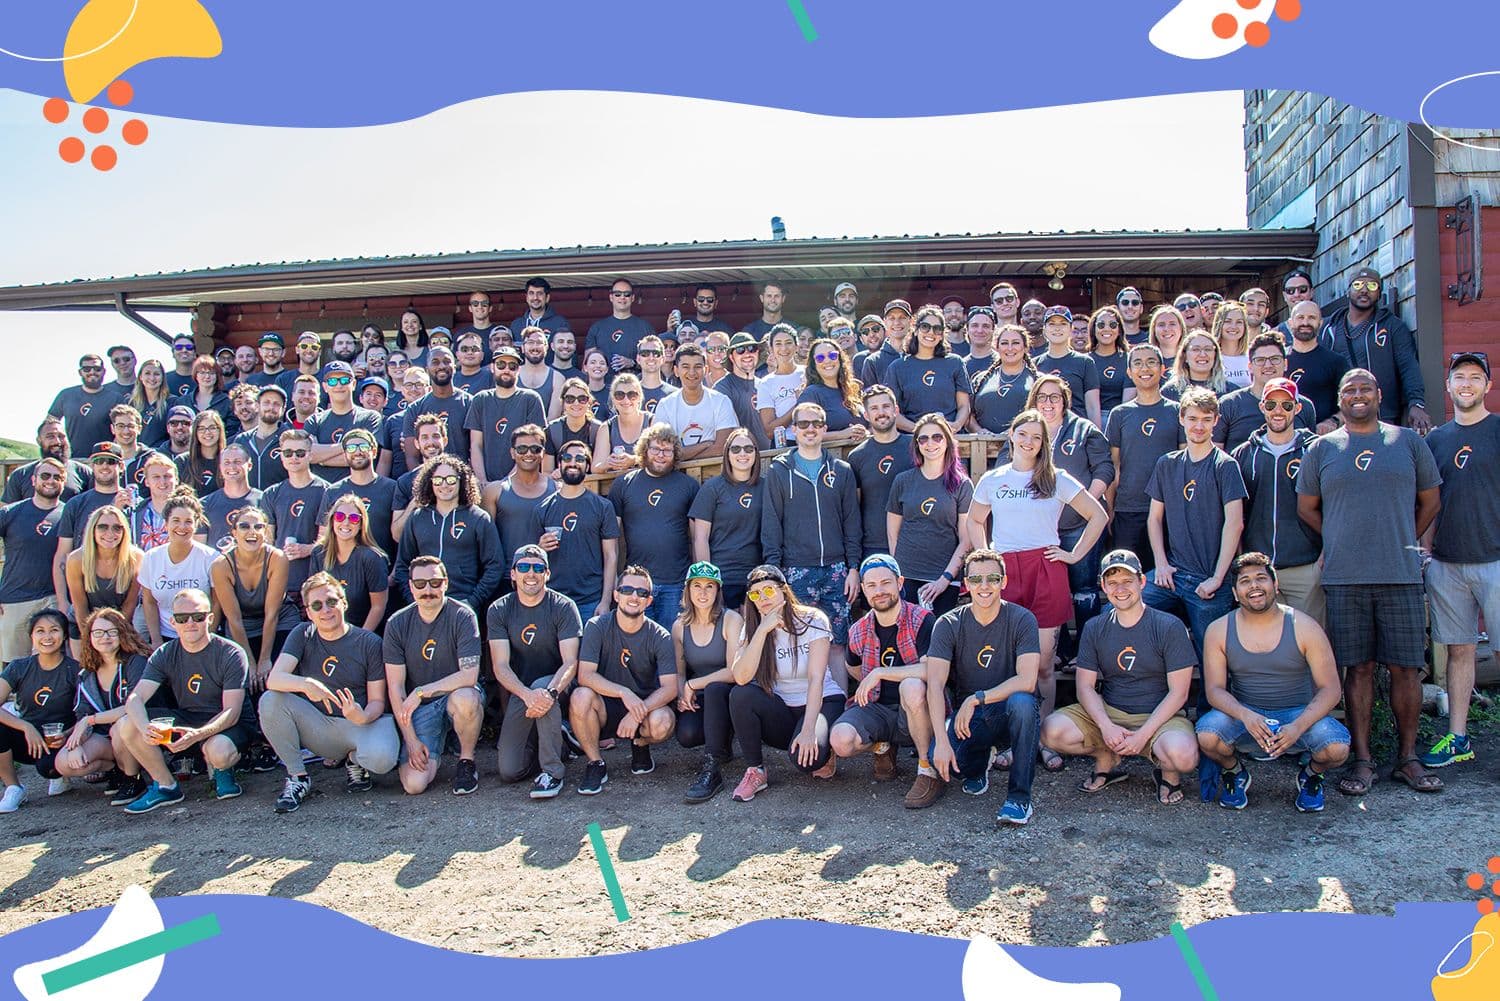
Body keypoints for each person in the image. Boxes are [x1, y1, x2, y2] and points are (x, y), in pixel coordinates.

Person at [1297, 369, 1443, 795]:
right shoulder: (1322, 448)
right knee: (1357, 668)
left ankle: (1408, 757)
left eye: (1365, 388)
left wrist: (1404, 538)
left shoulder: (1408, 442)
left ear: (1379, 395)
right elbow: (1307, 508)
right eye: (1349, 389)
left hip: (1400, 574)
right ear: (1339, 399)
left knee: (1406, 669)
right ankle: (1362, 760)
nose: (1357, 395)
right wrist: (1338, 537)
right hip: (1345, 578)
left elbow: (1431, 500)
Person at [968, 408, 1107, 749]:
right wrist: (986, 558)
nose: (1029, 442)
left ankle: (1041, 739)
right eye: (1023, 434)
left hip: (1045, 569)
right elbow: (974, 520)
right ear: (1011, 435)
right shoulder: (993, 479)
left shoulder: (1057, 478)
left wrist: (1074, 555)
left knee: (1043, 665)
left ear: (1044, 443)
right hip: (1005, 572)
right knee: (1006, 664)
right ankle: (1006, 739)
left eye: (1037, 437)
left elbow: (1098, 515)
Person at [1041, 549, 1199, 804]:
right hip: (1112, 710)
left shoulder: (1169, 626)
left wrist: (1142, 735)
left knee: (1183, 757)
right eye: (1112, 582)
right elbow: (1085, 687)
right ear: (1103, 586)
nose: (1120, 589)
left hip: (1159, 715)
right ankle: (1107, 757)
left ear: (1142, 582)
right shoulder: (1095, 627)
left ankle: (1168, 773)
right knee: (1051, 731)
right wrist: (1106, 726)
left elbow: (1179, 693)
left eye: (1127, 581)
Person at [1196, 553, 1350, 812]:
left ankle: (1312, 775)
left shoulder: (1304, 626)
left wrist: (1298, 726)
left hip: (1298, 715)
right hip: (1247, 717)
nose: (1254, 586)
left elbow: (1331, 689)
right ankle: (1234, 772)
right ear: (1235, 593)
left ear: (1275, 585)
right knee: (1208, 734)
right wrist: (1245, 715)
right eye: (1245, 581)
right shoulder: (1219, 630)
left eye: (1261, 578)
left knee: (1336, 748)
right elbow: (1214, 690)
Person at [913, 548, 1043, 823]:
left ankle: (1019, 798)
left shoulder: (1022, 619)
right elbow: (934, 685)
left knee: (1023, 702)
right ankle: (979, 762)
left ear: (1004, 582)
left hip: (1007, 711)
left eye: (992, 578)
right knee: (943, 758)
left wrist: (977, 698)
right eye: (976, 579)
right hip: (969, 718)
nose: (984, 586)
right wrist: (941, 741)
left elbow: (1027, 680)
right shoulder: (948, 623)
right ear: (966, 584)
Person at [1418, 352, 1499, 770]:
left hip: (1495, 559)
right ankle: (1459, 737)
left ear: (1487, 386)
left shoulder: (1498, 430)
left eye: (1475, 377)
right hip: (1447, 563)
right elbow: (1429, 501)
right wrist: (1427, 552)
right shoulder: (1436, 440)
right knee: (1459, 651)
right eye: (1459, 377)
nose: (1466, 384)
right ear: (1448, 386)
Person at [260, 573, 397, 813]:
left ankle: (354, 761)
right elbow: (275, 679)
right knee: (270, 700)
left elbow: (377, 700)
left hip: (358, 724)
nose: (325, 610)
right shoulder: (303, 634)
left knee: (383, 759)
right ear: (308, 612)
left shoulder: (369, 642)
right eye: (317, 605)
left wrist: (362, 716)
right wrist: (306, 684)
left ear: (344, 603)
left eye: (332, 601)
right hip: (319, 726)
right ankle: (297, 777)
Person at [114, 589, 254, 812]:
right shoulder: (165, 652)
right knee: (127, 724)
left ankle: (221, 769)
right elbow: (135, 698)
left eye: (198, 616)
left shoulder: (230, 652)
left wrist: (197, 735)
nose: (190, 623)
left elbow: (232, 712)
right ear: (172, 622)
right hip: (188, 718)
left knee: (219, 751)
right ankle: (166, 786)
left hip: (227, 723)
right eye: (182, 618)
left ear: (210, 618)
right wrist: (144, 728)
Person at [1143, 386, 1246, 658]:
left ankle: (1211, 691)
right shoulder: (1167, 464)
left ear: (1216, 421)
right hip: (1173, 575)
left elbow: (1235, 524)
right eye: (1192, 418)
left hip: (1210, 580)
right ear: (1181, 419)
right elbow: (1154, 519)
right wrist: (1161, 563)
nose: (1198, 426)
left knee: (1212, 655)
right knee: (1119, 608)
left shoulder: (1225, 465)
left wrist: (1217, 578)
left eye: (1205, 419)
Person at [725, 565, 845, 800]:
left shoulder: (812, 619)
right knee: (741, 695)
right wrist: (762, 631)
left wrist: (808, 730)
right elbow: (741, 676)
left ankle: (826, 747)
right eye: (755, 594)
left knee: (806, 762)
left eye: (769, 590)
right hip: (783, 706)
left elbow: (816, 679)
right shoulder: (752, 627)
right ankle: (756, 771)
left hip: (822, 701)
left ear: (784, 590)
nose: (763, 598)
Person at [761, 402, 862, 680]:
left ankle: (837, 701)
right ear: (793, 429)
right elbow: (771, 524)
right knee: (800, 642)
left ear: (824, 428)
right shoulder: (779, 471)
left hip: (836, 570)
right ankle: (806, 702)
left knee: (837, 642)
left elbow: (852, 523)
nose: (810, 429)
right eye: (803, 424)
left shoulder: (841, 470)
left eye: (816, 424)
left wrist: (853, 567)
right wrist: (775, 574)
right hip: (795, 569)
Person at [829, 555, 935, 791]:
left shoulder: (922, 620)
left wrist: (879, 673)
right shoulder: (858, 630)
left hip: (917, 709)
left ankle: (926, 768)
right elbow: (852, 667)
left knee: (912, 686)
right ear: (863, 589)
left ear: (900, 582)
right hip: (877, 708)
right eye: (872, 585)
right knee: (840, 740)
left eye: (886, 583)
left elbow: (932, 670)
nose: (879, 591)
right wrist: (871, 680)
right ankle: (882, 747)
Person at [570, 566, 679, 794]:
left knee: (663, 721)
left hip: (642, 706)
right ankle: (595, 763)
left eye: (642, 593)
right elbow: (585, 675)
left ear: (649, 601)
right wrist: (623, 692)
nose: (634, 596)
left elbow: (670, 688)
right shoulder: (596, 626)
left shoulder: (660, 636)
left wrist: (637, 711)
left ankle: (640, 744)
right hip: (606, 704)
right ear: (616, 595)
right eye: (627, 590)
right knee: (580, 696)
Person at [486, 546, 582, 798]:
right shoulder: (499, 609)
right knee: (510, 770)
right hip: (522, 691)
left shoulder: (563, 606)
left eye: (538, 568)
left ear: (547, 574)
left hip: (559, 687)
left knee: (542, 687)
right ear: (513, 574)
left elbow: (570, 662)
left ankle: (552, 772)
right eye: (524, 567)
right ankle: (560, 741)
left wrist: (550, 693)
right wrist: (527, 695)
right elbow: (500, 666)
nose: (531, 573)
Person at [383, 556, 484, 796]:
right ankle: (432, 745)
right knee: (414, 784)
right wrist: (410, 739)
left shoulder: (463, 615)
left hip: (454, 696)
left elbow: (469, 675)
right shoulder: (396, 624)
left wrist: (421, 691)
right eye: (420, 584)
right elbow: (396, 688)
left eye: (435, 582)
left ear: (445, 583)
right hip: (420, 709)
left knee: (467, 698)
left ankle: (466, 761)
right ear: (411, 586)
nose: (428, 590)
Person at [1030, 377, 1113, 661]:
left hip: (1079, 524)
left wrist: (1083, 502)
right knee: (1052, 592)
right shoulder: (1027, 431)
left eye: (1054, 397)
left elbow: (1104, 469)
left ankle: (1086, 654)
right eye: (1042, 397)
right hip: (1042, 527)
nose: (1048, 403)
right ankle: (1061, 651)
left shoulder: (1084, 430)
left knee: (1083, 590)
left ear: (1065, 400)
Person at [1230, 378, 1324, 623]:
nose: (1278, 411)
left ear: (1298, 408)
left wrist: (1323, 557)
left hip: (1305, 566)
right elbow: (1235, 513)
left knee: (1309, 638)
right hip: (1258, 571)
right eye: (1271, 405)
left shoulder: (1315, 451)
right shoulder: (1243, 453)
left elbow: (1332, 506)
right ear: (1262, 407)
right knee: (1265, 640)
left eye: (1286, 405)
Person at [606, 424, 699, 628]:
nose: (661, 455)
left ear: (675, 454)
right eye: (655, 449)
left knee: (673, 641)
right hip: (636, 585)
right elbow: (611, 540)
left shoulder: (688, 486)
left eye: (667, 450)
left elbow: (696, 538)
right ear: (644, 450)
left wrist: (694, 580)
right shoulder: (624, 484)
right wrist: (614, 580)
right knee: (637, 641)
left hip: (676, 583)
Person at [1321, 267, 1430, 431]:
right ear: (1348, 291)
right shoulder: (1329, 328)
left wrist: (1416, 403)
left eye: (1372, 286)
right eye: (1358, 285)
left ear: (1379, 293)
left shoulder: (1392, 326)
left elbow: (1408, 367)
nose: (1364, 290)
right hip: (1339, 420)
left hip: (1382, 418)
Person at [886, 415, 973, 617]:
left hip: (944, 578)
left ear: (947, 441)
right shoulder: (902, 481)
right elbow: (892, 533)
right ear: (917, 444)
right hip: (907, 576)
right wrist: (899, 572)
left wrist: (945, 579)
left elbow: (966, 540)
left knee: (939, 634)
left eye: (937, 437)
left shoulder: (962, 484)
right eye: (923, 439)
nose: (930, 443)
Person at [674, 562, 745, 803]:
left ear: (718, 591)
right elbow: (680, 673)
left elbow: (734, 672)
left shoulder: (731, 619)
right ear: (688, 590)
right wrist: (682, 695)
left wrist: (693, 685)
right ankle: (722, 743)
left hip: (730, 694)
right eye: (697, 586)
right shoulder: (679, 626)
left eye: (709, 586)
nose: (703, 592)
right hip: (700, 696)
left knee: (715, 689)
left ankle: (712, 767)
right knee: (687, 735)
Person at [394, 456, 502, 613]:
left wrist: (472, 601)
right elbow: (403, 565)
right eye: (438, 480)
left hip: (462, 605)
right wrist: (414, 600)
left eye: (450, 479)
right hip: (423, 605)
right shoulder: (417, 518)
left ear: (461, 481)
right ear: (430, 482)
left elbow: (495, 565)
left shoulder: (478, 518)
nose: (444, 485)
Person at [66, 608, 152, 801]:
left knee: (120, 727)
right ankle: (116, 770)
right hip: (105, 735)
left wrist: (91, 720)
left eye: (111, 632)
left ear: (122, 633)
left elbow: (133, 705)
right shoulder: (87, 672)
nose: (105, 637)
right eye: (98, 632)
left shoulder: (135, 661)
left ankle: (133, 779)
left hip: (140, 729)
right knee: (65, 762)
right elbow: (82, 715)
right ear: (89, 637)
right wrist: (76, 743)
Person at [0, 609, 79, 808]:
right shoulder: (19, 667)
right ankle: (13, 788)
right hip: (28, 739)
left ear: (65, 635)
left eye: (54, 630)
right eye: (40, 631)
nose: (47, 637)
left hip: (61, 740)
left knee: (48, 769)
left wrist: (68, 734)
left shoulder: (75, 670)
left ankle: (60, 775)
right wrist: (25, 727)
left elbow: (87, 713)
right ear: (31, 636)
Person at [533, 441, 620, 618]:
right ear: (559, 464)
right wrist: (540, 548)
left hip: (591, 601)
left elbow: (610, 556)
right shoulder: (542, 508)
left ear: (587, 466)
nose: (573, 463)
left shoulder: (603, 507)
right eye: (567, 458)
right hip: (553, 600)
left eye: (580, 459)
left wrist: (605, 601)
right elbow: (532, 557)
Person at [0, 459, 66, 669]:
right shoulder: (11, 513)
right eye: (45, 476)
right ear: (33, 480)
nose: (51, 481)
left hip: (54, 598)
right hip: (15, 599)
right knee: (13, 667)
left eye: (57, 477)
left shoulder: (69, 514)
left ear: (63, 482)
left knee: (52, 665)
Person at [135, 488, 220, 651]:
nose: (182, 527)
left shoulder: (211, 558)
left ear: (196, 524)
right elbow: (149, 602)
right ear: (166, 524)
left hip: (201, 637)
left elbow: (216, 603)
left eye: (188, 521)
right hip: (166, 636)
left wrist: (208, 636)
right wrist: (156, 640)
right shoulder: (151, 558)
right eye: (176, 520)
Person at [688, 428, 763, 610]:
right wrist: (708, 580)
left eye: (748, 448)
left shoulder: (766, 487)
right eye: (735, 449)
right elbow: (700, 538)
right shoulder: (712, 488)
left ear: (756, 453)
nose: (742, 453)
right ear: (727, 454)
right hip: (723, 577)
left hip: (756, 578)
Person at [52, 444, 129, 620]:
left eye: (110, 461)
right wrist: (62, 601)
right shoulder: (75, 504)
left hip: (125, 592)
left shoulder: (134, 501)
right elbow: (62, 554)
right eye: (99, 461)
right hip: (83, 595)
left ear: (121, 466)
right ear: (92, 465)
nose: (104, 466)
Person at [1214, 333, 1319, 453]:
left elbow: (1311, 451)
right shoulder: (1229, 404)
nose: (1268, 365)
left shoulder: (1303, 405)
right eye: (1260, 360)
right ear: (1250, 366)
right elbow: (1216, 453)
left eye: (1275, 359)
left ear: (1285, 364)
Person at [262, 427, 330, 603]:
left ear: (310, 455)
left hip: (316, 582)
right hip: (281, 583)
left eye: (300, 453)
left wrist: (308, 549)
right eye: (288, 453)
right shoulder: (271, 494)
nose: (294, 457)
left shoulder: (326, 491)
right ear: (281, 456)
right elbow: (268, 541)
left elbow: (329, 538)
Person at [63, 505, 142, 655]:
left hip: (122, 625)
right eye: (103, 527)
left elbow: (130, 604)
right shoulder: (76, 559)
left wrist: (114, 635)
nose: (110, 533)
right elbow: (80, 606)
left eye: (117, 528)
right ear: (92, 530)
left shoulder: (136, 558)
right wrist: (91, 641)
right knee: (86, 666)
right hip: (83, 625)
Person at [846, 387, 912, 561]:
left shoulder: (915, 447)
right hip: (874, 544)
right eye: (874, 408)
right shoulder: (857, 456)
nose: (881, 413)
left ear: (896, 410)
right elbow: (854, 508)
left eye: (886, 406)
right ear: (866, 415)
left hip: (914, 539)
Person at [465, 346, 547, 486]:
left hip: (521, 482)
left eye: (512, 366)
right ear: (492, 367)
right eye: (501, 365)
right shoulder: (480, 399)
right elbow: (476, 444)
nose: (506, 369)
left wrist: (506, 483)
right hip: (485, 483)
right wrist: (482, 481)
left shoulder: (531, 399)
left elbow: (534, 447)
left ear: (518, 370)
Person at [309, 494, 389, 631]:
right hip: (327, 632)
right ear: (332, 520)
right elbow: (314, 600)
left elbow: (378, 607)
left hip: (362, 633)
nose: (346, 523)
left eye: (353, 518)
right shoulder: (319, 553)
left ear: (361, 524)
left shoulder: (373, 558)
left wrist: (360, 639)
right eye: (340, 516)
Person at [887, 305, 971, 432]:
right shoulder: (897, 367)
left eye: (937, 329)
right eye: (925, 327)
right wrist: (920, 430)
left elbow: (964, 405)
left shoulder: (955, 363)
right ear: (915, 330)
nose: (931, 332)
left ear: (942, 335)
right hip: (912, 438)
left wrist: (957, 425)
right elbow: (892, 411)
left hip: (951, 436)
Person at [319, 428, 398, 563]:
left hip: (383, 568)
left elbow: (401, 538)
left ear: (374, 452)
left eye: (363, 446)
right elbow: (324, 537)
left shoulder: (392, 488)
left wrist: (394, 572)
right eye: (351, 448)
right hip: (342, 569)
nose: (357, 452)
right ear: (345, 455)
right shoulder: (333, 491)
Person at [302, 361, 384, 482]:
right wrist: (350, 446)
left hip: (358, 489)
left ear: (354, 384)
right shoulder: (314, 421)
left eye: (345, 380)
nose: (339, 385)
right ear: (325, 387)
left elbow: (363, 457)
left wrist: (321, 459)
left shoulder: (370, 417)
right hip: (322, 491)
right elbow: (309, 455)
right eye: (332, 381)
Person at [653, 344, 738, 460]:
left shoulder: (721, 401)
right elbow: (662, 452)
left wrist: (681, 455)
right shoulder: (665, 405)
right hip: (676, 471)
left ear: (705, 370)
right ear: (676, 371)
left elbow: (721, 448)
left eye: (697, 367)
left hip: (715, 470)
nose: (692, 372)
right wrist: (705, 445)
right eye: (686, 367)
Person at [401, 347, 472, 468]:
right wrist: (425, 478)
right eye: (435, 362)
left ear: (454, 367)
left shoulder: (470, 403)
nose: (441, 366)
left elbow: (476, 449)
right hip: (427, 477)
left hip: (461, 475)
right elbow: (412, 458)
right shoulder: (414, 409)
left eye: (446, 361)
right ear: (427, 369)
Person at [1033, 306, 1102, 427]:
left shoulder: (1085, 362)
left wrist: (1096, 435)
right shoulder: (1035, 364)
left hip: (1076, 429)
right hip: (1044, 430)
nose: (1057, 328)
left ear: (1071, 330)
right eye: (1052, 324)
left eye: (1063, 323)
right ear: (1044, 330)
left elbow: (1093, 406)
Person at [1285, 300, 1348, 432]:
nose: (1305, 322)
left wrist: (1334, 421)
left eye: (1312, 318)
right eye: (1300, 317)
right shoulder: (1277, 361)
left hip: (1322, 437)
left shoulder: (1336, 362)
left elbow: (1350, 401)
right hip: (1283, 437)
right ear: (1290, 323)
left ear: (1320, 323)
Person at [796, 337, 867, 447]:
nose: (827, 361)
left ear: (840, 359)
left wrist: (865, 433)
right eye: (820, 358)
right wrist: (842, 434)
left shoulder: (853, 389)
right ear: (814, 364)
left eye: (832, 355)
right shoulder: (811, 394)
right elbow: (802, 435)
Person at [969, 324, 1039, 436]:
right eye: (1004, 343)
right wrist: (979, 431)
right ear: (996, 347)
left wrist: (1015, 432)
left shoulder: (1038, 380)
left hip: (1023, 443)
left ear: (1026, 347)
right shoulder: (980, 379)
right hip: (983, 443)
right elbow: (968, 414)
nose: (1010, 348)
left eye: (1015, 343)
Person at [48, 353, 118, 457]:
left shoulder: (116, 398)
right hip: (72, 459)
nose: (92, 372)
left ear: (103, 371)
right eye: (87, 369)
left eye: (97, 369)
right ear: (80, 372)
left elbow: (123, 428)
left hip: (104, 459)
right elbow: (49, 424)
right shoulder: (65, 395)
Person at [585, 278, 655, 373]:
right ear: (611, 297)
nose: (622, 297)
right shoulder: (597, 328)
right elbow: (587, 365)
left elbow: (654, 361)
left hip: (636, 382)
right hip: (604, 382)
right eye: (618, 294)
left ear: (632, 298)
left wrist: (632, 363)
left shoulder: (645, 327)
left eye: (627, 294)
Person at [233, 385, 290, 492]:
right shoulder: (242, 440)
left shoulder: (291, 440)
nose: (271, 408)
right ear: (257, 406)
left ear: (283, 409)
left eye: (276, 404)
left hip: (280, 500)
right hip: (249, 501)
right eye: (266, 403)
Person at [757, 324, 807, 442]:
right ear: (771, 349)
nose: (784, 348)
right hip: (785, 444)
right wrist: (798, 405)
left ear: (796, 346)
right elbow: (770, 431)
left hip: (812, 439)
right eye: (778, 344)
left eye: (788, 343)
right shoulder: (765, 384)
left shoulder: (809, 373)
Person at [592, 372, 650, 472]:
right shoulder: (607, 427)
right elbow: (595, 467)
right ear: (613, 399)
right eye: (619, 395)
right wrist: (609, 463)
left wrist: (633, 460)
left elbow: (660, 457)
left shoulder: (652, 421)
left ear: (639, 397)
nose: (626, 400)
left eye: (632, 395)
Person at [126, 453, 178, 553]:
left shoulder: (189, 511)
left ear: (176, 480)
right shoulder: (134, 513)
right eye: (156, 477)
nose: (162, 482)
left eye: (167, 476)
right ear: (147, 482)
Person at [1162, 330, 1236, 401]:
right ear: (1184, 356)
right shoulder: (1169, 393)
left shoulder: (1231, 393)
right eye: (1196, 349)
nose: (1203, 354)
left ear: (1215, 355)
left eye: (1208, 349)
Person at [1089, 306, 1130, 424]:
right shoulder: (1085, 361)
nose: (1107, 329)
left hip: (1120, 418)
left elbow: (1127, 404)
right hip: (1090, 418)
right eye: (1101, 325)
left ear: (1119, 330)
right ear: (1093, 329)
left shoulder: (1128, 359)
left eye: (1112, 325)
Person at [175, 410, 227, 497]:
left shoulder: (228, 460)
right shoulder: (182, 461)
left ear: (220, 430)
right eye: (201, 429)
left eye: (212, 428)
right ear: (195, 432)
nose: (207, 432)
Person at [860, 301, 912, 387]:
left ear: (910, 321)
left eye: (902, 317)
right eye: (892, 318)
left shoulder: (920, 355)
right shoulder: (873, 362)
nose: (897, 322)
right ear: (885, 322)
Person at [516, 327, 562, 419]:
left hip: (545, 428)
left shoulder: (557, 378)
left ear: (546, 348)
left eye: (539, 343)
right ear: (523, 348)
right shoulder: (513, 374)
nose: (535, 347)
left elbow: (553, 417)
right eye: (530, 342)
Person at [506, 278, 572, 341]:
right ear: (526, 297)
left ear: (547, 298)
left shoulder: (560, 323)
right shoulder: (516, 325)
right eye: (531, 293)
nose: (535, 298)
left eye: (540, 293)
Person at [129, 360, 172, 450]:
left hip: (162, 453)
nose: (152, 378)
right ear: (140, 377)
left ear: (163, 378)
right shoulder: (131, 403)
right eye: (147, 373)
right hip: (136, 453)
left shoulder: (172, 402)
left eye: (156, 374)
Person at [1211, 300, 1252, 388]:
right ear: (1219, 324)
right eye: (1228, 321)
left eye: (1239, 322)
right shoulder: (1211, 358)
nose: (1234, 326)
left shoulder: (1252, 357)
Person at [633, 334, 672, 417]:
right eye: (645, 353)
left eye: (656, 353)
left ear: (663, 359)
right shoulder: (628, 394)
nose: (651, 358)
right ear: (638, 359)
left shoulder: (674, 395)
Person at [961, 306, 997, 382]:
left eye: (986, 326)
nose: (980, 330)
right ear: (967, 329)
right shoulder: (960, 366)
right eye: (975, 325)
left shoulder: (1001, 362)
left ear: (993, 330)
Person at [451, 331, 494, 395]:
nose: (470, 352)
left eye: (475, 349)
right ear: (457, 355)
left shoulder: (492, 378)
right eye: (464, 349)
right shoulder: (450, 379)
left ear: (482, 355)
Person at [164, 333, 199, 400]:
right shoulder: (163, 380)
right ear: (173, 354)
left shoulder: (204, 379)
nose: (184, 350)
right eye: (179, 347)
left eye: (189, 347)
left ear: (195, 354)